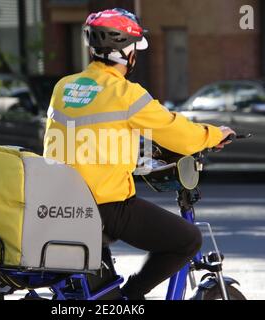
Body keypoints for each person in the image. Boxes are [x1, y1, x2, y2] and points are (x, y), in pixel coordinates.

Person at [43, 8, 235, 299]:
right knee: (188, 239)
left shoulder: (63, 88)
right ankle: (132, 297)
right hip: (105, 207)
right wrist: (213, 134)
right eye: (134, 47)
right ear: (124, 51)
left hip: (56, 205)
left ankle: (114, 298)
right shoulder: (126, 94)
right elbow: (178, 133)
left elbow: (87, 136)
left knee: (97, 291)